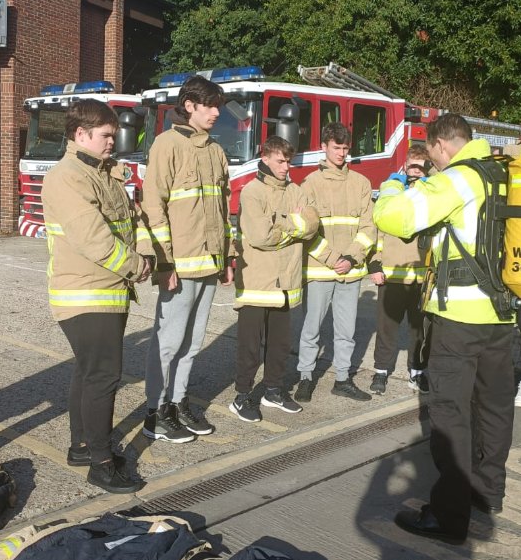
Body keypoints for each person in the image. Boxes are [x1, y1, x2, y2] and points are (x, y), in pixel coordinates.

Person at [374, 113, 515, 543]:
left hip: (460, 319)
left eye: (432, 155)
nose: (432, 162)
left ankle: (449, 516)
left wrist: (397, 182)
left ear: (438, 145)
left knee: (450, 415)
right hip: (502, 314)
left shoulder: (456, 179)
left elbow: (395, 219)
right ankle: (488, 492)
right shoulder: (502, 174)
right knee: (493, 409)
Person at [43, 98, 152, 493]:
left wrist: (144, 254)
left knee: (89, 372)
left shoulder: (104, 173)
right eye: (107, 135)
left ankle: (83, 446)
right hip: (86, 292)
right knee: (104, 376)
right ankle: (102, 464)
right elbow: (94, 238)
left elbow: (132, 220)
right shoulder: (68, 176)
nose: (114, 141)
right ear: (81, 134)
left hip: (104, 290)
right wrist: (136, 265)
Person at [137, 75, 232, 443]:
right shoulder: (166, 145)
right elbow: (152, 208)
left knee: (192, 343)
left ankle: (177, 403)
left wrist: (228, 257)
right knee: (169, 341)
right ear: (189, 105)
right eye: (208, 105)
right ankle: (154, 412)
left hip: (209, 263)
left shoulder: (215, 151)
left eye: (217, 107)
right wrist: (163, 263)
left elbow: (224, 210)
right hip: (179, 266)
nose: (214, 113)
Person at [229, 136, 320, 423]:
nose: (286, 167)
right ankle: (242, 396)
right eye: (280, 161)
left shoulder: (296, 190)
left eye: (288, 161)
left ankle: (273, 390)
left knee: (280, 345)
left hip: (286, 282)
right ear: (265, 157)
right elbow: (260, 236)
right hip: (257, 281)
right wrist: (296, 226)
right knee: (250, 347)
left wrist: (284, 226)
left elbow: (314, 223)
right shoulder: (252, 192)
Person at [294, 122, 377, 403]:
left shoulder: (361, 184)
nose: (341, 153)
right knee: (311, 328)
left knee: (346, 331)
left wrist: (351, 258)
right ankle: (305, 377)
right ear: (324, 147)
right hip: (320, 270)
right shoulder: (309, 185)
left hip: (350, 271)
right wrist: (334, 259)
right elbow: (306, 232)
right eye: (336, 147)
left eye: (345, 148)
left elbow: (369, 229)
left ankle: (342, 379)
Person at [368, 142, 434, 395]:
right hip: (391, 274)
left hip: (421, 276)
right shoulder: (391, 193)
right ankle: (381, 372)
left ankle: (417, 372)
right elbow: (376, 230)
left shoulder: (431, 196)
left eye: (421, 166)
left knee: (419, 330)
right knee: (387, 329)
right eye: (412, 165)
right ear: (404, 165)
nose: (415, 171)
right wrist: (374, 264)